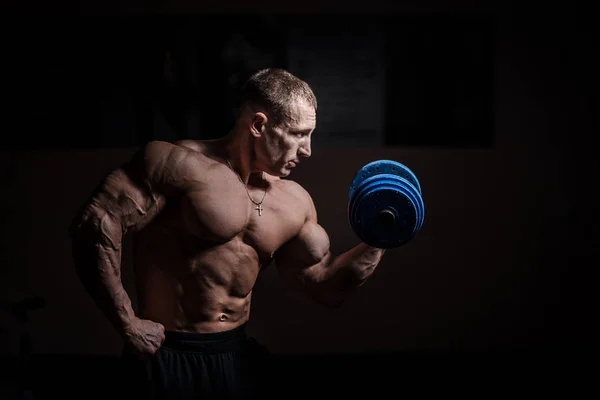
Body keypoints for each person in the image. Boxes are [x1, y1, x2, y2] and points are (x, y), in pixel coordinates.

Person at [68, 68, 386, 399]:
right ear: (259, 125)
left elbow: (324, 286)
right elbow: (94, 228)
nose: (308, 149)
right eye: (299, 134)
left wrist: (380, 238)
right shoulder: (178, 165)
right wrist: (128, 324)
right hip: (167, 353)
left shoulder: (294, 202)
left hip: (234, 355)